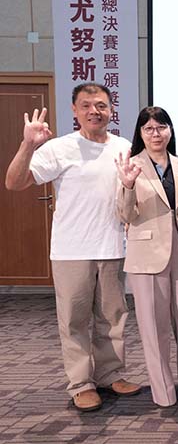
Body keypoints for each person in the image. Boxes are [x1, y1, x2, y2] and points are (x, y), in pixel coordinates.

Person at [4, 83, 141, 412]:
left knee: (113, 317)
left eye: (102, 106)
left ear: (111, 110)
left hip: (112, 247)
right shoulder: (59, 148)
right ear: (74, 111)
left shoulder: (123, 147)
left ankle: (110, 374)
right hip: (71, 250)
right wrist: (27, 144)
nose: (95, 111)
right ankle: (81, 383)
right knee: (74, 320)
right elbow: (14, 182)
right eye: (87, 106)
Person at [115, 107, 178, 407]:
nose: (155, 134)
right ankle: (162, 391)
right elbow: (124, 213)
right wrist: (128, 184)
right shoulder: (129, 166)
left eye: (161, 127)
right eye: (149, 128)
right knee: (153, 326)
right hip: (147, 256)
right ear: (141, 133)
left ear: (170, 131)